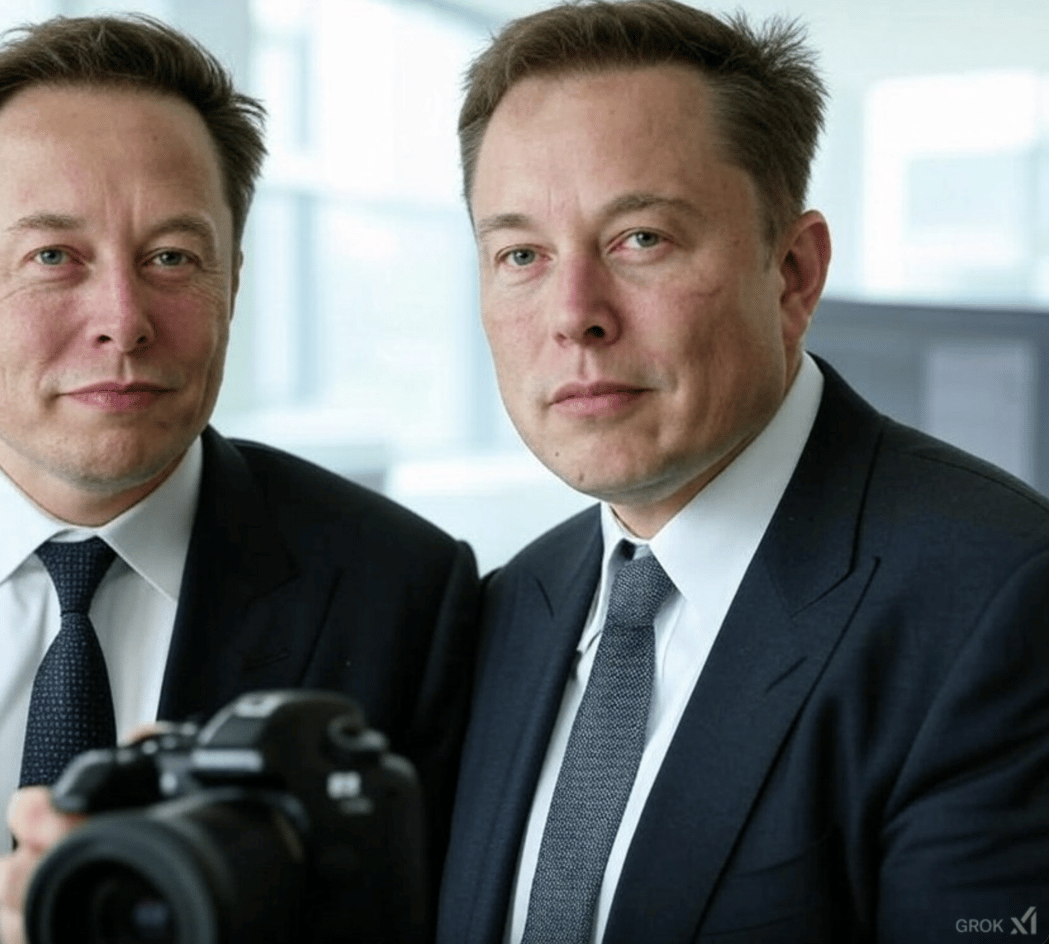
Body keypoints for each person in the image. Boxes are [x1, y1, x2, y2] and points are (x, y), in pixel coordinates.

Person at [0, 14, 479, 944]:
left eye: (172, 258)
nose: (123, 320)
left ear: (232, 285)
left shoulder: (404, 592)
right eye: (53, 257)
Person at [437, 2, 1049, 942]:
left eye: (641, 238)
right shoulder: (512, 602)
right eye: (521, 254)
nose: (574, 315)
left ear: (793, 272)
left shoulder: (997, 602)